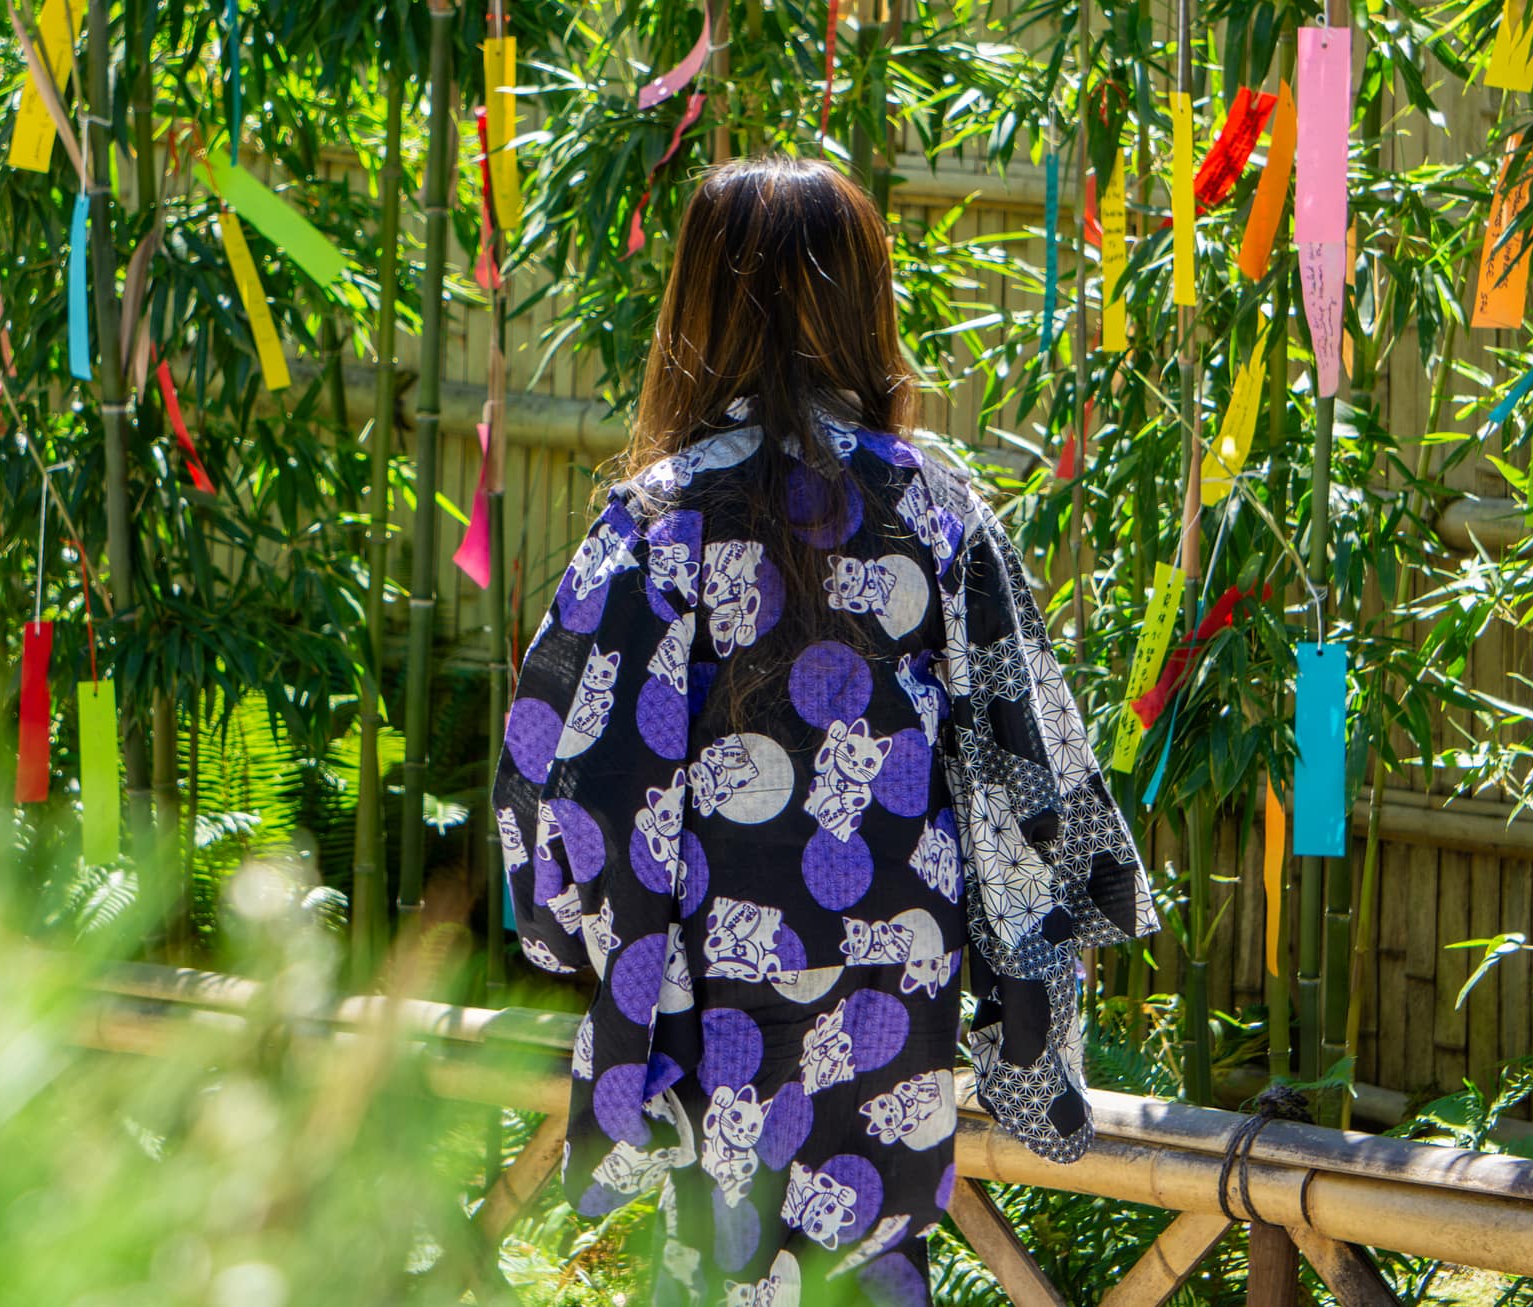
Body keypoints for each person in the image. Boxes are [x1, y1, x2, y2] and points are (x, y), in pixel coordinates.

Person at [494, 156, 1157, 1306]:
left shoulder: (656, 521)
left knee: (715, 1262)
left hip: (704, 977)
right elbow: (1024, 745)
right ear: (863, 305)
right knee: (869, 1259)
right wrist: (1030, 988)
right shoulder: (936, 505)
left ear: (694, 305)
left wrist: (568, 933)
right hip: (895, 967)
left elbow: (561, 762)